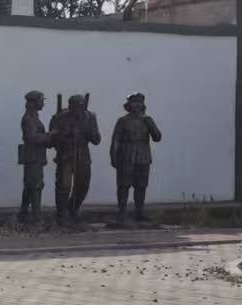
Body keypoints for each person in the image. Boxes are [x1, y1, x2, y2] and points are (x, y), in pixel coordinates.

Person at [110, 92, 162, 224]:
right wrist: (113, 156)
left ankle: (140, 211)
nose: (137, 106)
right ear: (129, 105)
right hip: (126, 154)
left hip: (143, 154)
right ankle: (122, 212)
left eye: (140, 103)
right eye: (134, 103)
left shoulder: (147, 120)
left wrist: (150, 123)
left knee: (141, 185)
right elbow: (115, 140)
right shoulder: (123, 121)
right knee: (124, 185)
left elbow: (157, 137)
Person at [49, 94, 99, 226]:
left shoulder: (90, 117)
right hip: (66, 154)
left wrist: (87, 132)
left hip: (83, 155)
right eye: (76, 107)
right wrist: (66, 135)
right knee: (63, 186)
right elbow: (51, 140)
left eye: (81, 107)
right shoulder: (59, 118)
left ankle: (73, 209)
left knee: (83, 185)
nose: (79, 110)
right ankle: (61, 214)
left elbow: (97, 140)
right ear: (70, 106)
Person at [17, 90, 51, 225]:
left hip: (36, 155)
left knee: (30, 186)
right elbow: (33, 138)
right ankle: (36, 217)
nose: (42, 103)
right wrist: (50, 135)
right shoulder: (29, 119)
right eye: (41, 101)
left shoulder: (33, 117)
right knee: (36, 185)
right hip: (33, 156)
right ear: (34, 102)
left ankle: (23, 214)